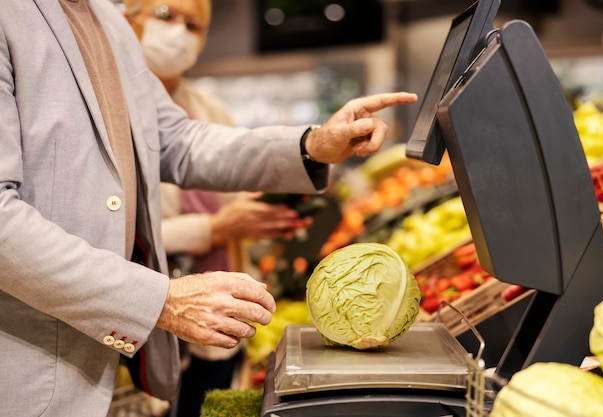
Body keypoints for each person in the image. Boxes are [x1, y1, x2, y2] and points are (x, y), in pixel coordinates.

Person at [0, 1, 417, 416]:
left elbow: (177, 139)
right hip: (22, 371)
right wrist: (161, 300)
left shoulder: (109, 21)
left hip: (100, 360)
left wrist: (311, 145)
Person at [123, 1, 311, 415]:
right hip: (148, 316)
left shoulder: (209, 110)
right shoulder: (112, 109)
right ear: (126, 16)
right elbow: (115, 232)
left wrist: (259, 213)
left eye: (195, 25)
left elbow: (224, 180)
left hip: (219, 318)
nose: (180, 34)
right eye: (168, 16)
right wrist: (215, 228)